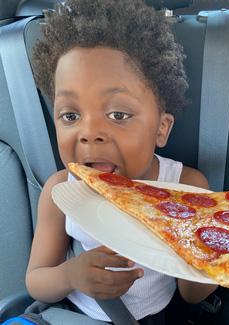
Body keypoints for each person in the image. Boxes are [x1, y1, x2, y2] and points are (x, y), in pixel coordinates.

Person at [25, 0, 218, 323]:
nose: (90, 133)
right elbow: (36, 281)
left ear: (161, 128)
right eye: (70, 115)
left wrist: (210, 263)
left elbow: (191, 294)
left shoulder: (186, 187)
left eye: (118, 114)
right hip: (80, 315)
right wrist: (71, 277)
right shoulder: (60, 191)